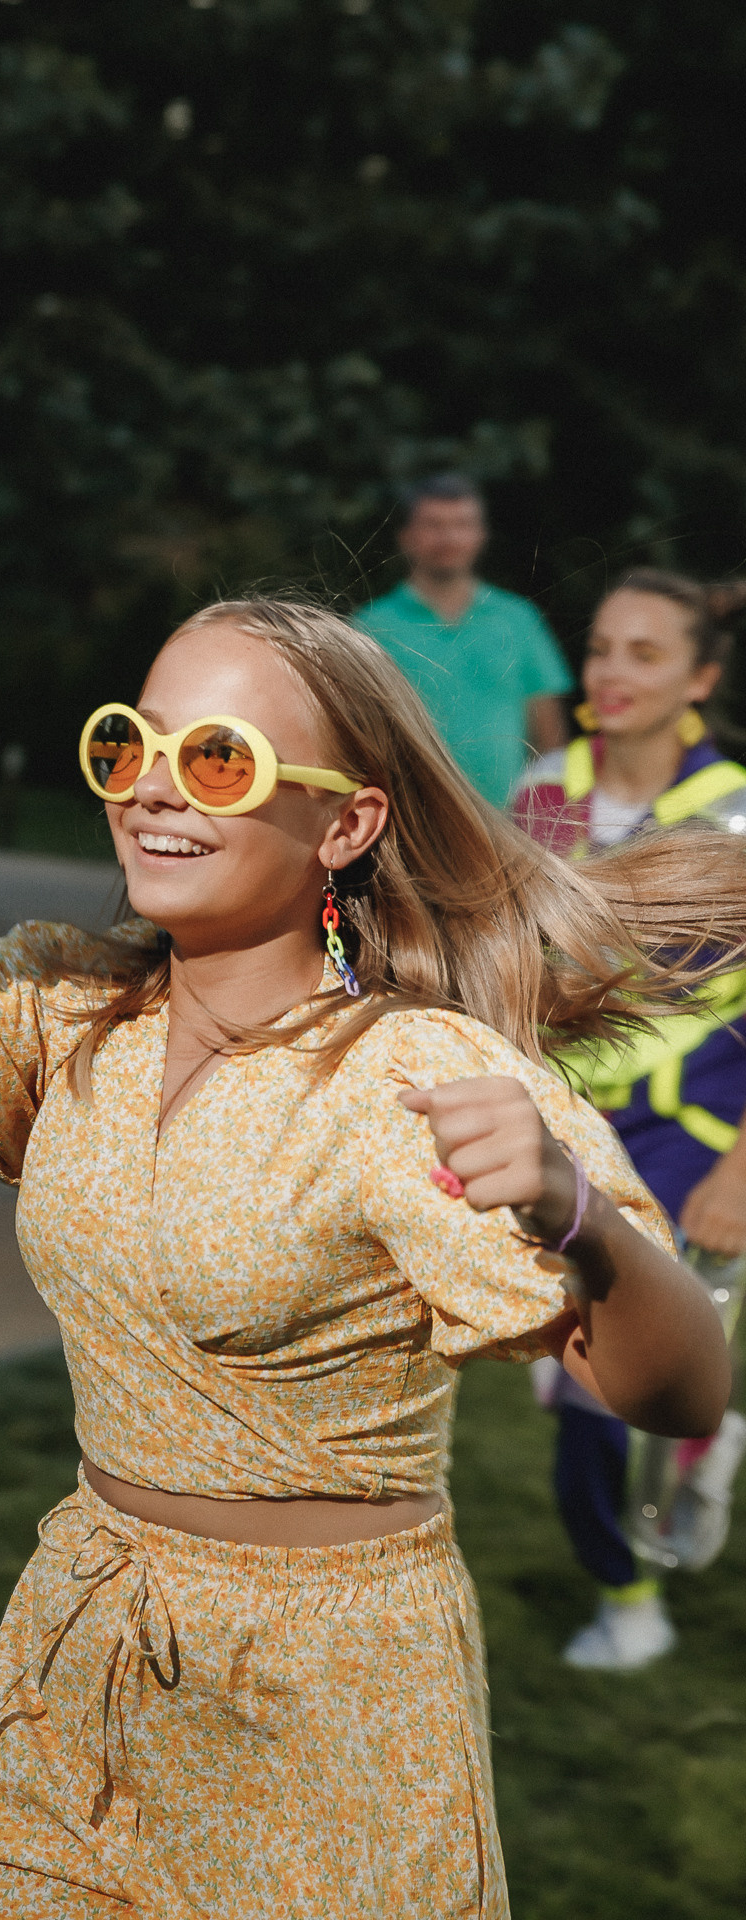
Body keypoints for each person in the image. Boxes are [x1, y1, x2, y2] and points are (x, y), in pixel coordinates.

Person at [0, 535, 735, 1918]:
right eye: (128, 744)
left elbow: (679, 1391)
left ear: (344, 825)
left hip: (332, 1712)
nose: (152, 785)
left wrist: (584, 1223)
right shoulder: (73, 1012)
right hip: (80, 1666)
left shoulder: (408, 1077)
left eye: (216, 759)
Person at [513, 568, 746, 1668]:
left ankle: (629, 1601)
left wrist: (742, 1167)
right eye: (601, 647)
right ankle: (705, 1438)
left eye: (644, 654)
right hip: (552, 1129)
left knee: (600, 1392)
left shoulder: (735, 811)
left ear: (700, 678)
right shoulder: (542, 793)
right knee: (564, 1371)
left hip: (685, 1139)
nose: (609, 672)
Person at [354, 473, 572, 805]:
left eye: (462, 524)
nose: (450, 537)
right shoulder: (369, 627)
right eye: (434, 525)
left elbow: (550, 738)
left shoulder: (518, 618)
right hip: (409, 821)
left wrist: (549, 816)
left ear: (481, 535)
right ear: (406, 536)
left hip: (510, 825)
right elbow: (355, 737)